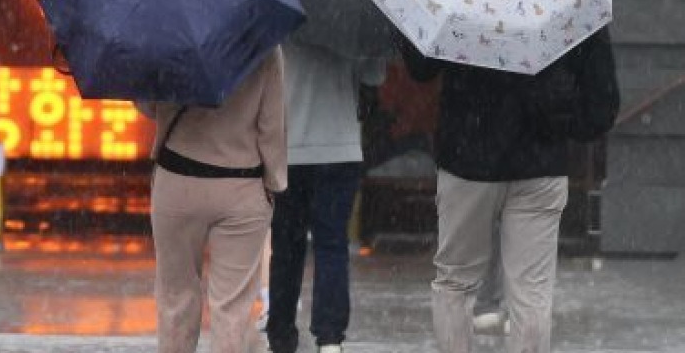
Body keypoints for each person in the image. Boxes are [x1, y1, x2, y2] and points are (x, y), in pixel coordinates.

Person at [397, 27, 619, 353]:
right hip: (540, 161)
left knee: (455, 282)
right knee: (532, 292)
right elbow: (601, 105)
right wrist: (560, 121)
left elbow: (421, 68)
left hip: (467, 158)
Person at [141, 46, 288, 353]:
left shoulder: (171, 35)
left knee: (176, 298)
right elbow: (272, 123)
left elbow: (148, 106)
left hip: (177, 178)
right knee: (231, 308)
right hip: (241, 181)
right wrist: (274, 182)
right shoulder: (264, 42)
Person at [265, 42, 386, 353]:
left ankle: (280, 332)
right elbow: (374, 79)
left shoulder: (284, 20)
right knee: (331, 245)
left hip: (289, 148)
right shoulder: (352, 21)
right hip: (340, 146)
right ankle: (330, 336)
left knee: (286, 247)